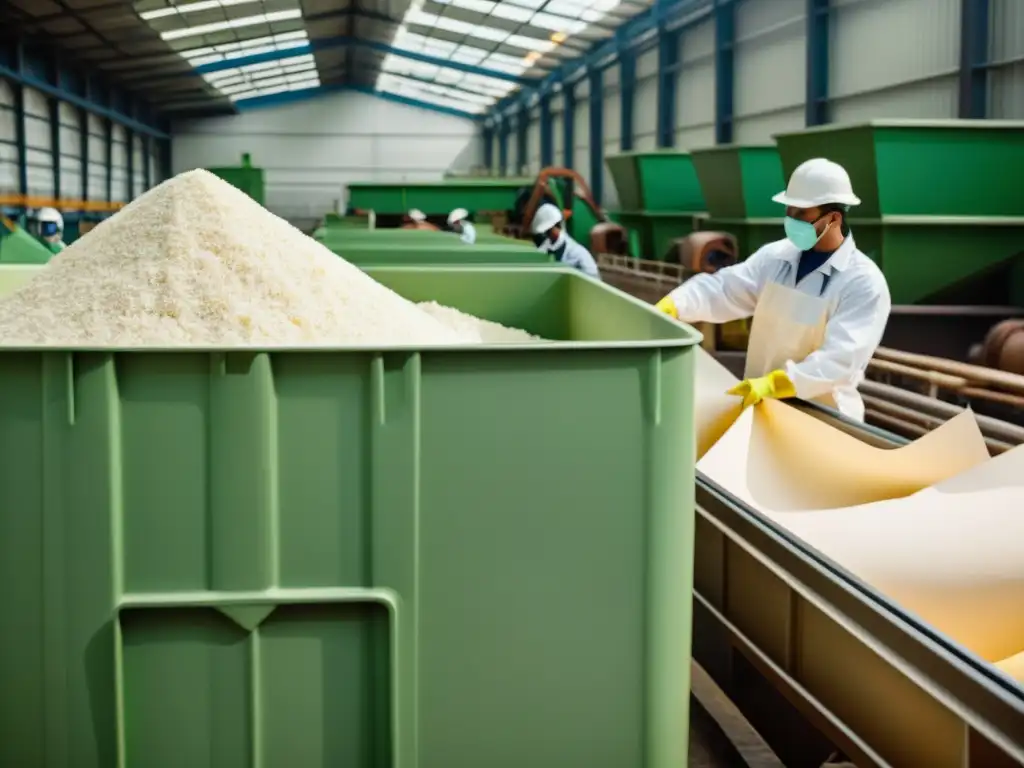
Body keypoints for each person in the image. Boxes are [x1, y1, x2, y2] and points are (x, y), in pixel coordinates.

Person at [656, 158, 891, 421]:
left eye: (801, 213)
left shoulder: (863, 281)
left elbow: (839, 361)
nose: (791, 219)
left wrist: (776, 384)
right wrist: (674, 304)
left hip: (824, 420)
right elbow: (725, 289)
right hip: (763, 408)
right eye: (789, 210)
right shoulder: (776, 257)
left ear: (834, 218)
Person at [530, 202, 600, 280]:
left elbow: (593, 278)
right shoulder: (546, 247)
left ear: (558, 226)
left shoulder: (579, 254)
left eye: (549, 231)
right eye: (546, 233)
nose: (548, 236)